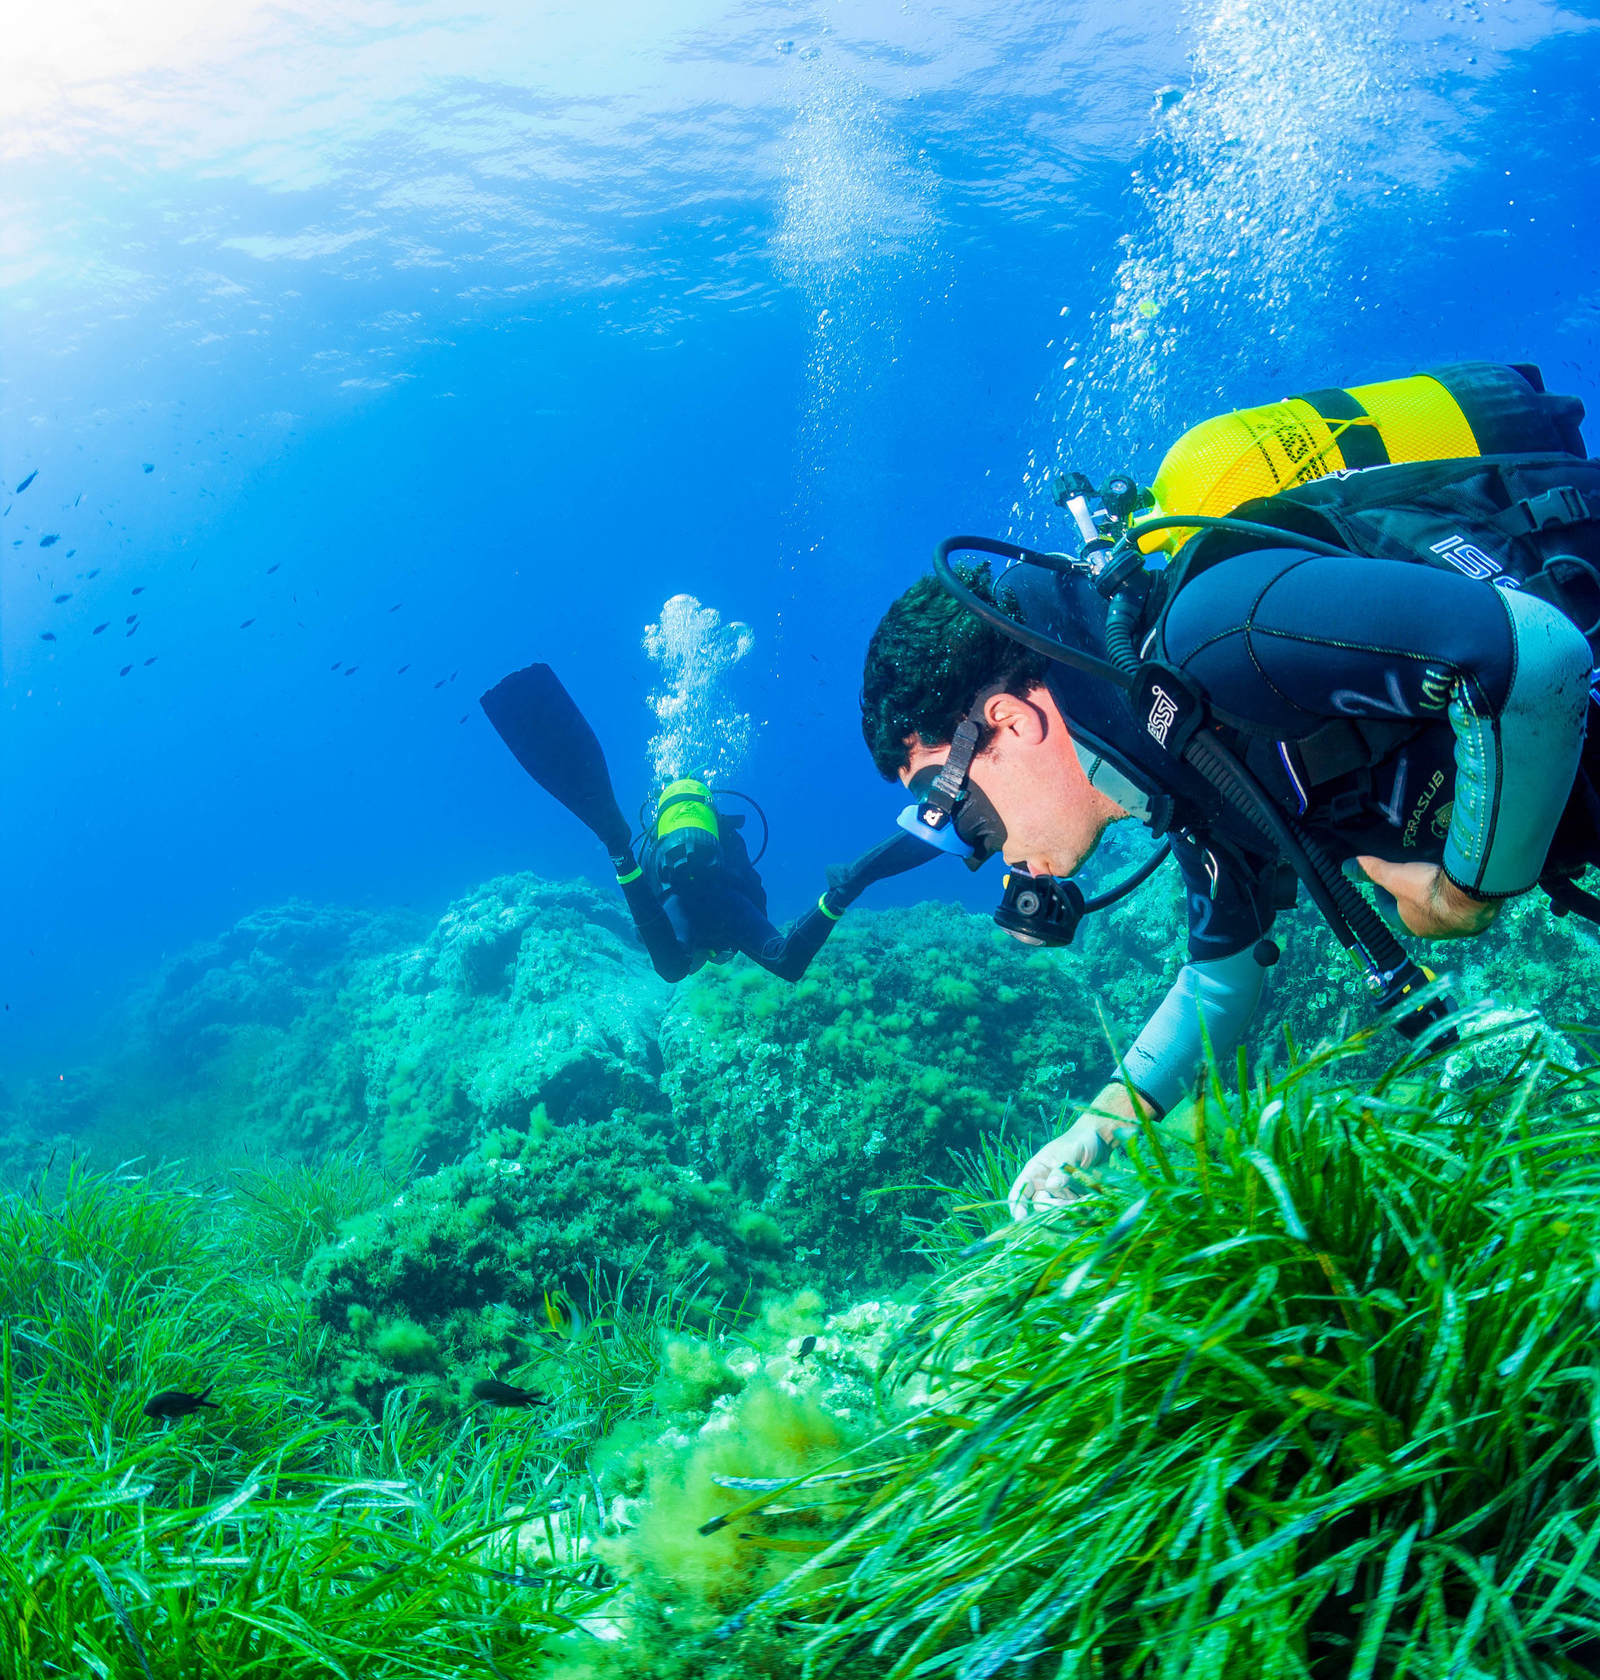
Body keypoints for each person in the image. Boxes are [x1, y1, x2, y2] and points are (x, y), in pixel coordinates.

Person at [858, 359, 1600, 1217]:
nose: (990, 857)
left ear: (1011, 724)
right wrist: (1090, 1136)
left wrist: (1467, 889)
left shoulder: (1216, 641)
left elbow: (1535, 652)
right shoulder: (1192, 765)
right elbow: (1219, 984)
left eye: (961, 817)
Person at [482, 661, 939, 984]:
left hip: (676, 890)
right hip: (720, 895)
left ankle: (617, 847)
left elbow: (658, 887)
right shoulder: (720, 851)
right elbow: (750, 890)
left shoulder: (673, 869)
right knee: (768, 962)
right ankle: (845, 886)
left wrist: (636, 860)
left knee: (671, 968)